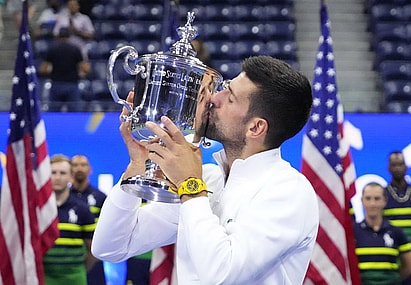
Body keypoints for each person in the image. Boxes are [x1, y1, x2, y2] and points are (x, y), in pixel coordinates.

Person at [92, 55, 319, 284]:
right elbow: (111, 247)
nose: (212, 98)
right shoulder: (209, 178)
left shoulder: (289, 191)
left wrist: (190, 186)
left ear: (256, 127)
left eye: (229, 98)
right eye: (223, 88)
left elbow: (220, 275)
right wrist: (138, 167)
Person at [44, 154, 97, 285]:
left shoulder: (83, 209)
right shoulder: (37, 209)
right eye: (53, 172)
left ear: (70, 176)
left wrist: (78, 270)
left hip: (75, 277)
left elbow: (93, 250)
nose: (57, 177)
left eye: (62, 173)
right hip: (43, 277)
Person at [353, 182, 411, 284]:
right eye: (368, 198)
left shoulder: (396, 232)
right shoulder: (353, 232)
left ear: (385, 201)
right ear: (362, 201)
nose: (372, 204)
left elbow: (409, 267)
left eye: (377, 199)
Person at [383, 151, 411, 285]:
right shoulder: (383, 195)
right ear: (389, 168)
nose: (397, 168)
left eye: (400, 164)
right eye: (394, 165)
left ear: (406, 167)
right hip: (391, 258)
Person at [70, 154, 107, 285]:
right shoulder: (62, 198)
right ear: (70, 170)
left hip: (94, 256)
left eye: (83, 165)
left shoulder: (100, 197)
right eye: (75, 165)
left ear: (90, 169)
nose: (79, 168)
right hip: (70, 258)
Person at [39, 27, 90, 111]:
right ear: (69, 36)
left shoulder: (52, 49)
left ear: (58, 36)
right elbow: (85, 69)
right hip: (72, 85)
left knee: (54, 113)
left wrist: (52, 71)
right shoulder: (75, 49)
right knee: (74, 114)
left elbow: (43, 69)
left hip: (56, 84)